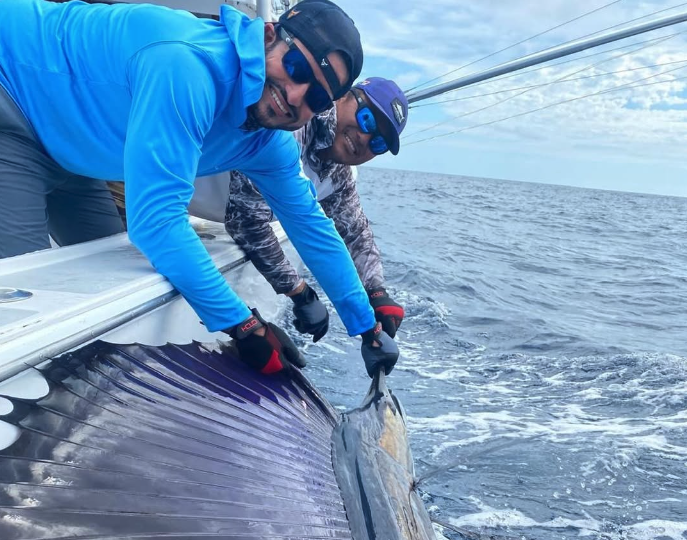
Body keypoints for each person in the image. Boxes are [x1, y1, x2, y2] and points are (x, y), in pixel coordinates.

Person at [0, 0, 398, 377]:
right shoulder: (187, 65)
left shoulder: (267, 140)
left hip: (72, 153)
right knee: (28, 306)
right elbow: (156, 223)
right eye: (295, 67)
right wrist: (244, 326)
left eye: (314, 95)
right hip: (13, 97)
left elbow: (309, 223)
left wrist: (367, 327)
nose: (294, 95)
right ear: (267, 38)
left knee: (117, 276)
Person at [190, 76, 407, 344]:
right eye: (367, 120)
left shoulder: (337, 172)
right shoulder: (293, 126)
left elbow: (355, 232)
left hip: (186, 204)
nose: (365, 138)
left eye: (378, 143)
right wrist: (299, 292)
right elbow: (245, 221)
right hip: (146, 183)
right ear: (343, 96)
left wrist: (377, 292)